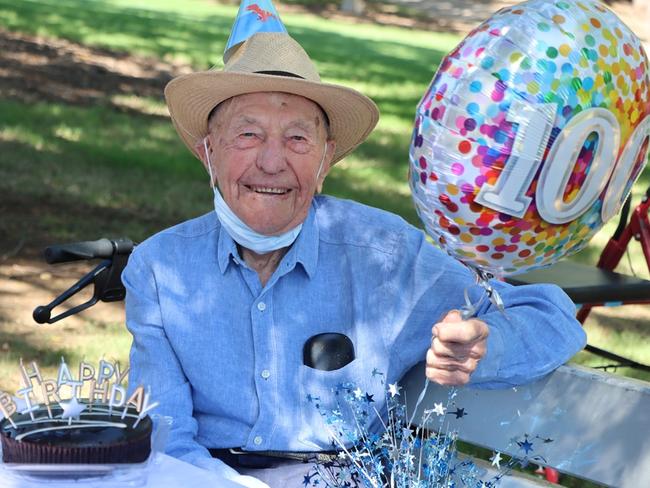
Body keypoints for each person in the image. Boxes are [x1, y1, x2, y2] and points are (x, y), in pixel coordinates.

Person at [122, 8, 586, 488]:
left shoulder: (384, 256)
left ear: (325, 160)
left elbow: (551, 318)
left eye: (298, 138)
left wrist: (484, 346)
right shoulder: (160, 269)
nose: (272, 161)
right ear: (207, 152)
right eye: (248, 134)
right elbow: (166, 438)